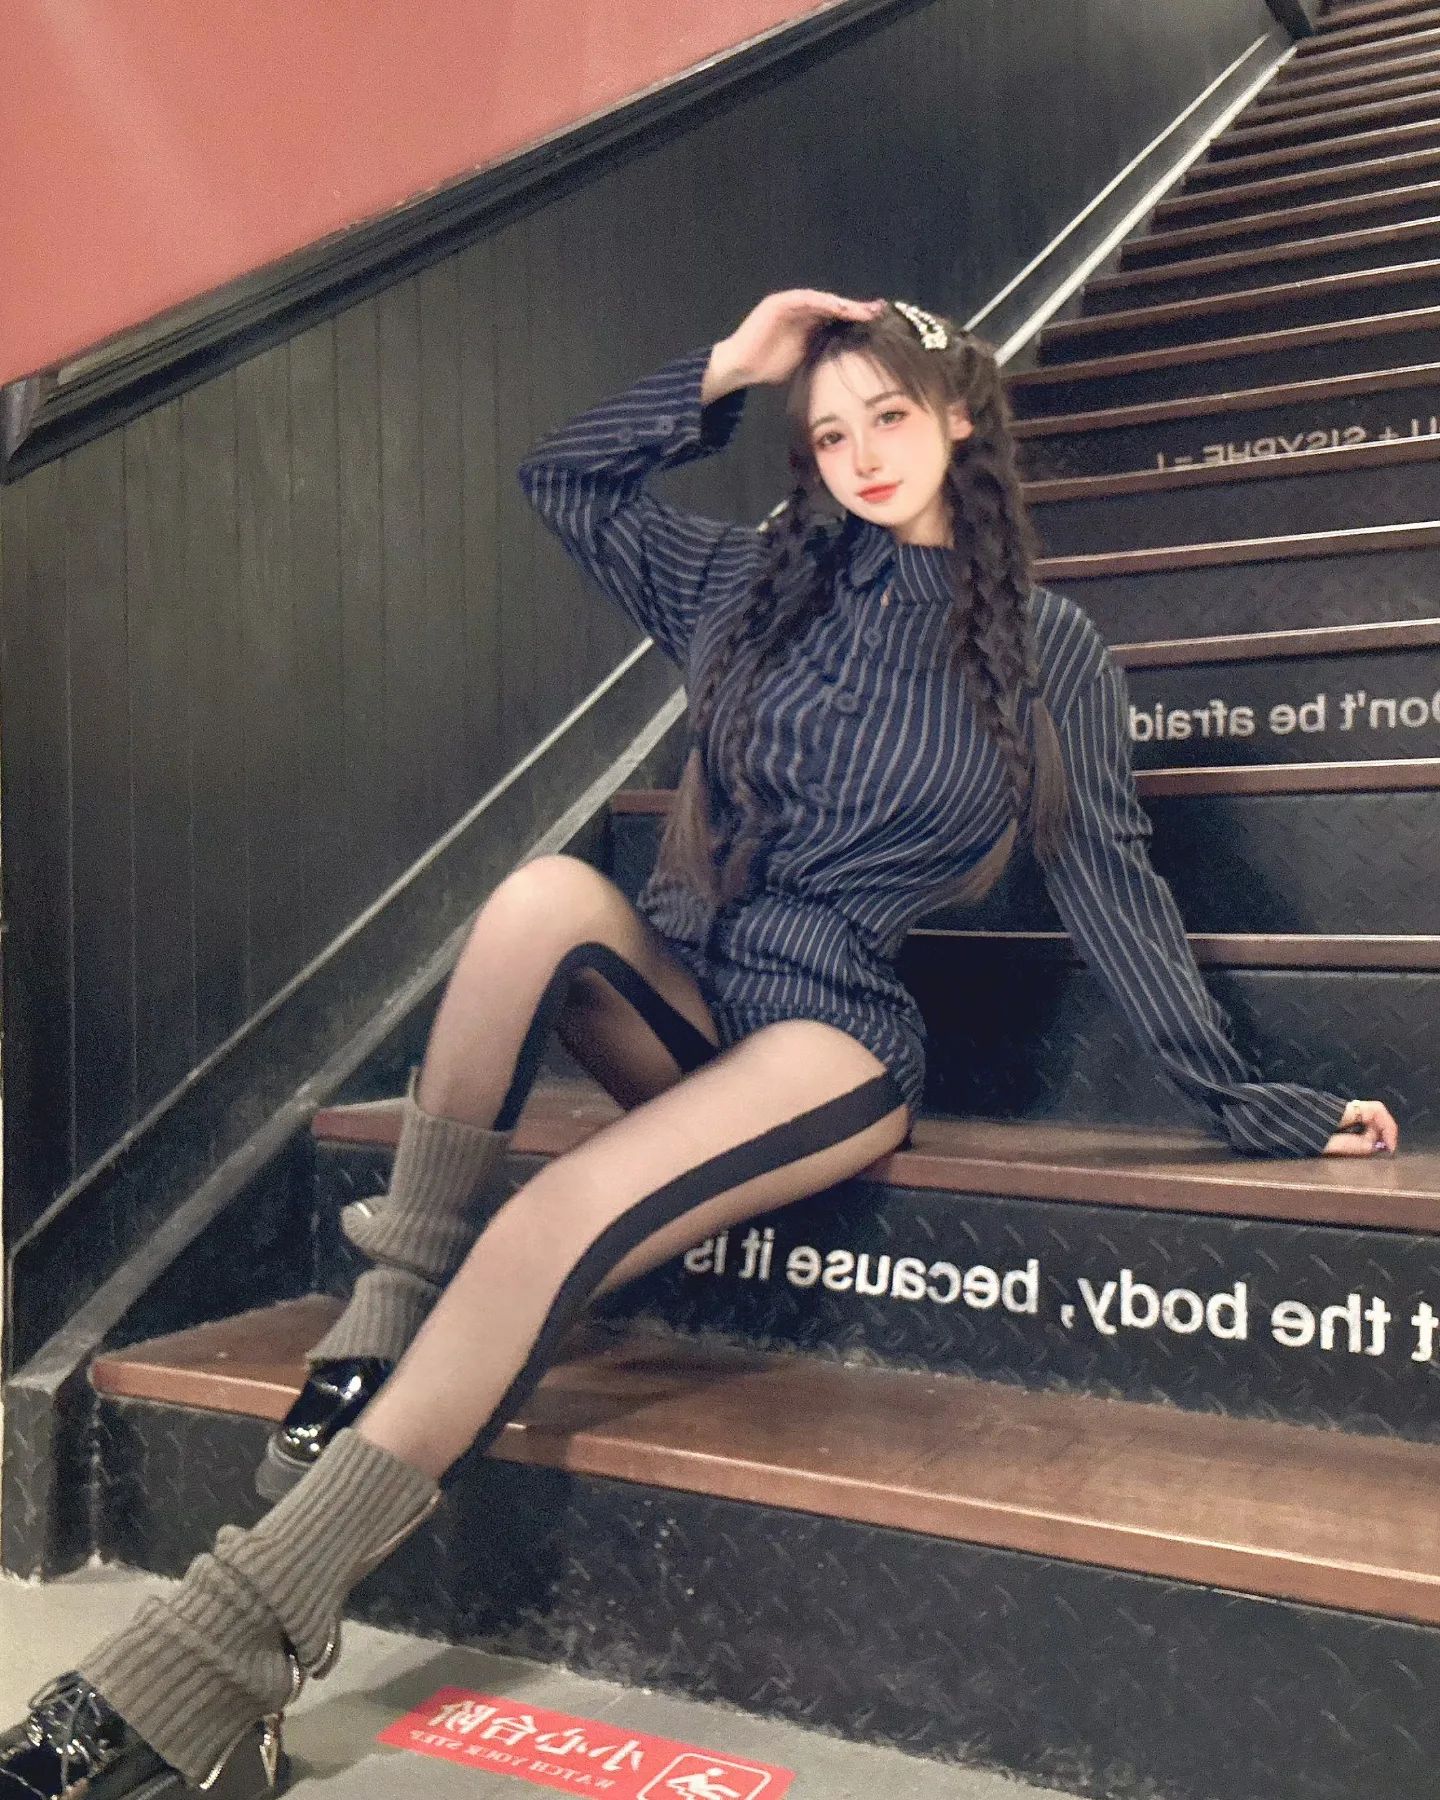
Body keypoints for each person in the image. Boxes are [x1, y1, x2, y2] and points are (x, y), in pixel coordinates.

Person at [0, 290, 1399, 1800]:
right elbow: (564, 482)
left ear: (959, 415)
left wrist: (1250, 1100)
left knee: (553, 1216)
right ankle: (385, 1313)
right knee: (538, 897)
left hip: (834, 1038)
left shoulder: (1049, 654)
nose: (864, 454)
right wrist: (732, 364)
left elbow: (1110, 885)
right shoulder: (753, 585)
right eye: (830, 432)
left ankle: (222, 1654)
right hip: (695, 993)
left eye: (890, 415)